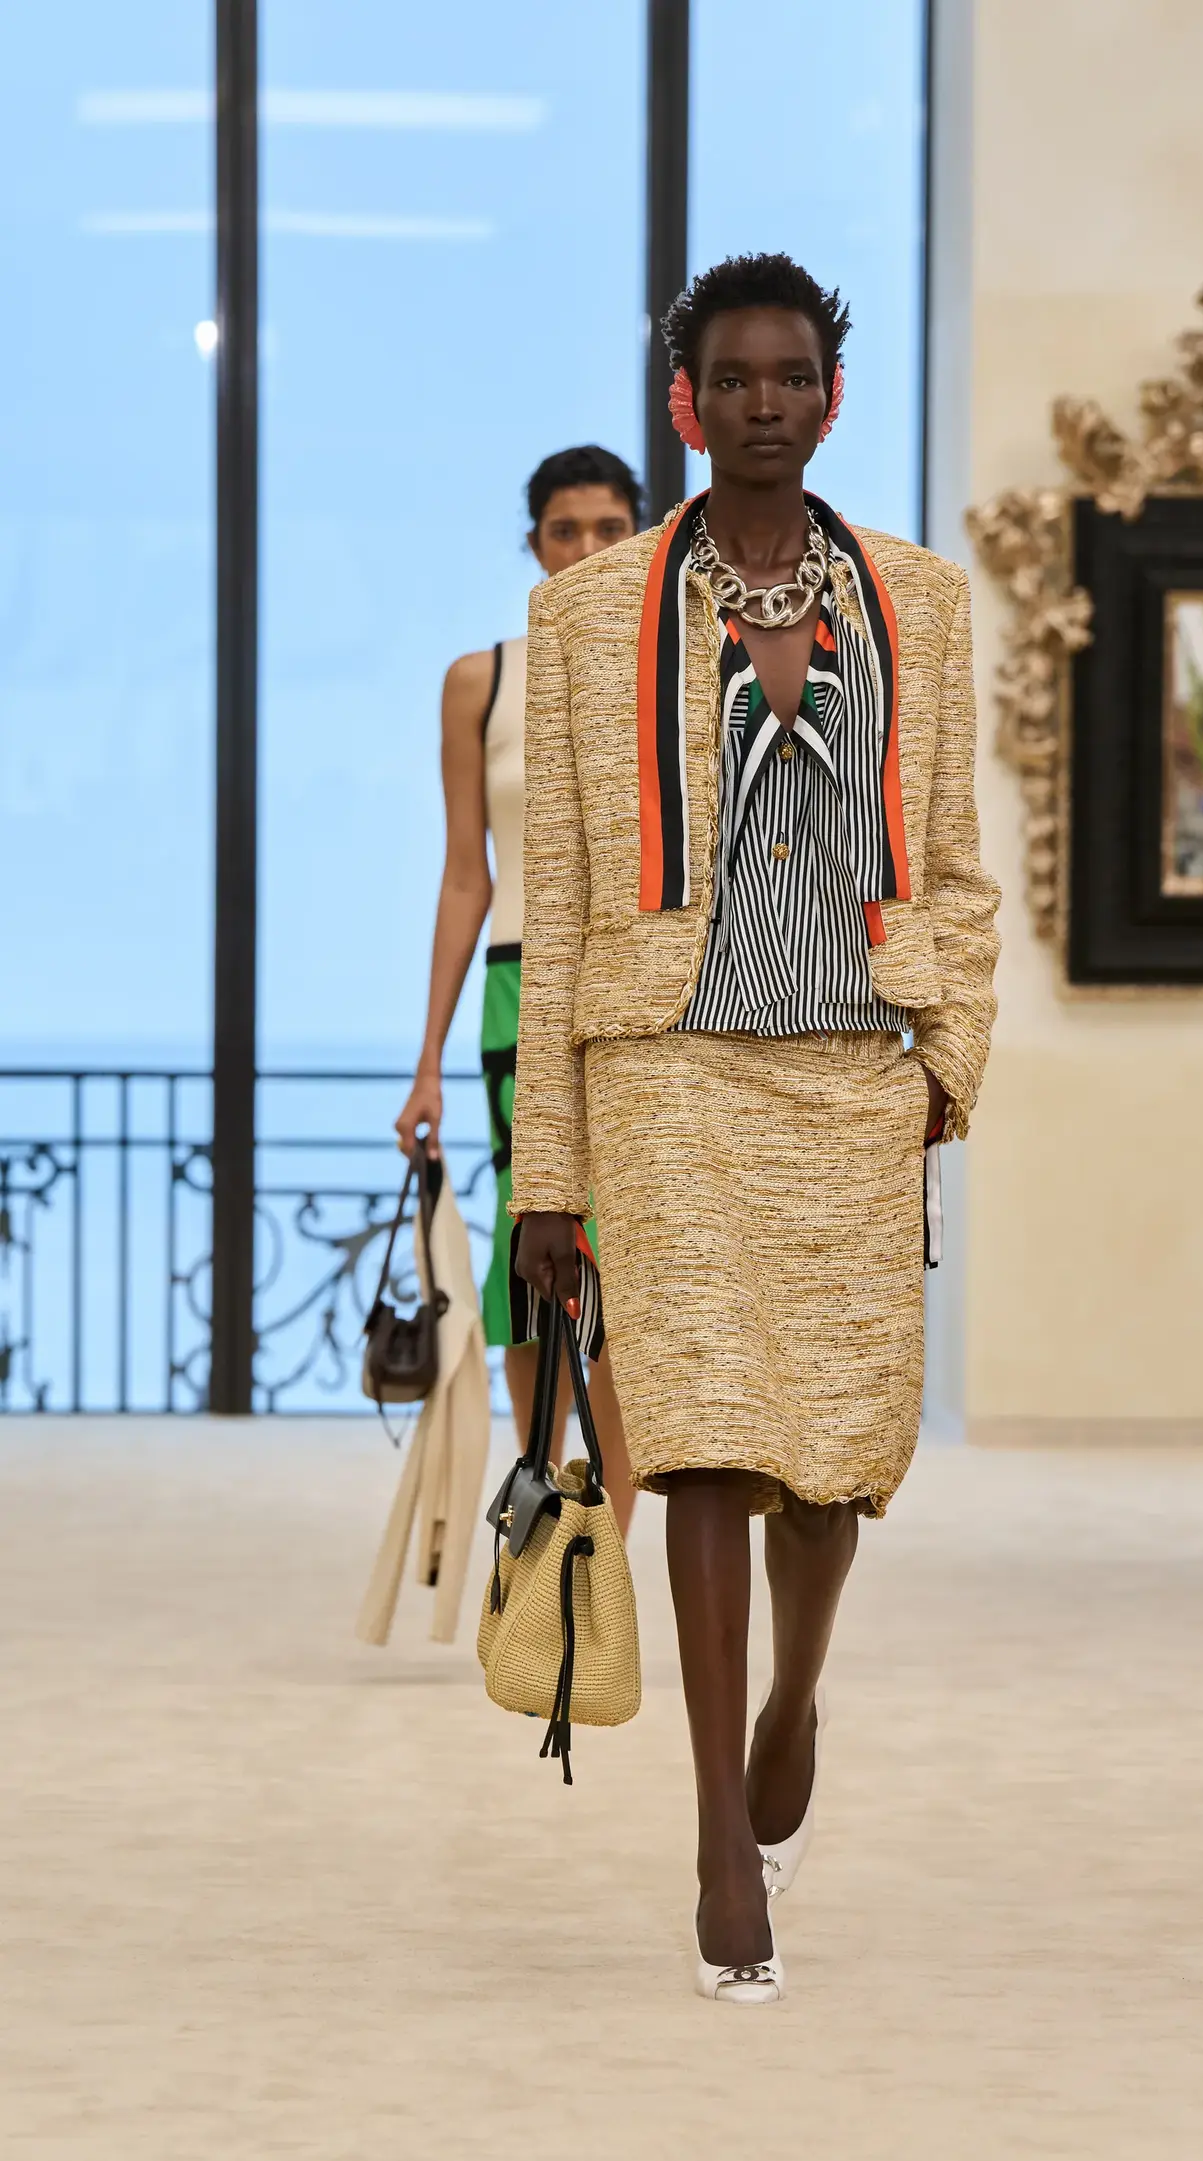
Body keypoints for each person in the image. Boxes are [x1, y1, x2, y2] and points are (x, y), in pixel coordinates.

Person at [511, 254, 1000, 2001]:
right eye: (735, 379)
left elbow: (956, 865)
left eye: (794, 376)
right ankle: (724, 1832)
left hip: (854, 1075)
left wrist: (947, 1064)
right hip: (670, 1076)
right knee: (706, 1439)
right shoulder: (590, 621)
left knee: (830, 1463)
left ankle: (797, 1695)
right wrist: (550, 1171)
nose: (766, 403)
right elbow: (560, 904)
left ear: (831, 397)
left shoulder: (920, 603)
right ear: (688, 402)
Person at [395, 446, 643, 1535]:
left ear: (641, 536)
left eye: (609, 528)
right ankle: (542, 1538)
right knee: (533, 1260)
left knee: (626, 1261)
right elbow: (466, 874)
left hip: (639, 992)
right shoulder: (482, 682)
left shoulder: (676, 674)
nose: (586, 549)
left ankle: (610, 1555)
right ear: (533, 543)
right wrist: (426, 1063)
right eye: (564, 530)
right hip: (518, 982)